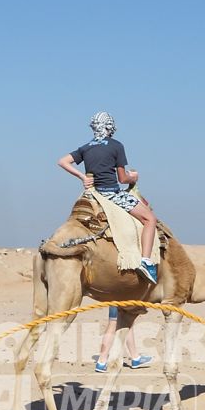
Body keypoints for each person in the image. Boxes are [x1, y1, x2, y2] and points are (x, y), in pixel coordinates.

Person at [57, 112, 159, 283]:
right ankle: (146, 262)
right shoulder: (116, 146)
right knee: (150, 219)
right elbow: (122, 179)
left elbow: (62, 161)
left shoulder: (86, 147)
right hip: (111, 192)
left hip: (93, 193)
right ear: (110, 127)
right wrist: (133, 177)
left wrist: (83, 177)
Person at [95, 305, 152, 372]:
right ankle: (102, 361)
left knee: (122, 323)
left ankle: (135, 358)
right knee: (115, 324)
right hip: (122, 299)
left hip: (113, 298)